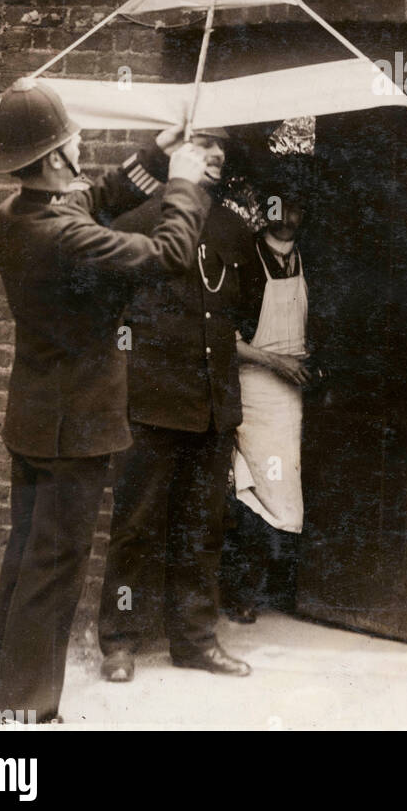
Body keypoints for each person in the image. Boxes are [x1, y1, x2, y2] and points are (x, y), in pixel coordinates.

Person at [0, 77, 219, 724]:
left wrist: (157, 160)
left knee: (26, 562)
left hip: (33, 423)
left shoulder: (17, 218)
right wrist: (188, 182)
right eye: (74, 139)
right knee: (54, 573)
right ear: (56, 157)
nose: (82, 145)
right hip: (74, 432)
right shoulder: (67, 238)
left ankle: (0, 707)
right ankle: (27, 716)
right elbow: (170, 252)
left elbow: (92, 199)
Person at [98, 129, 259, 681]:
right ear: (174, 152)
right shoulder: (138, 223)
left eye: (220, 145)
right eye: (202, 142)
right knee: (136, 526)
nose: (214, 154)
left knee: (202, 526)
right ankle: (120, 641)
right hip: (149, 402)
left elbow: (248, 312)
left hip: (212, 405)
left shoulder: (236, 230)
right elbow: (107, 312)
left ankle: (195, 640)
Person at [220, 161, 321, 622]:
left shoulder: (311, 259)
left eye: (295, 204)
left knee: (291, 488)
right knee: (255, 488)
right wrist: (274, 362)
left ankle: (280, 590)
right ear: (264, 208)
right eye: (278, 203)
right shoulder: (244, 257)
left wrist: (308, 360)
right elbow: (222, 337)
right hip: (255, 387)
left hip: (295, 390)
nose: (287, 213)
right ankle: (241, 591)